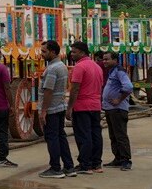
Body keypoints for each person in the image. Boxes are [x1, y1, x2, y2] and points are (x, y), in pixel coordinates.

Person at [37, 40, 76, 179]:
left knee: (52, 138)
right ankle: (69, 167)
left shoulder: (53, 69)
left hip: (52, 109)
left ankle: (55, 168)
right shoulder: (61, 66)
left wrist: (43, 111)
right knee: (61, 137)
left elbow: (48, 91)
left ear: (53, 52)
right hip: (59, 107)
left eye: (44, 51)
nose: (42, 54)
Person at [66, 41, 104, 174]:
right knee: (96, 134)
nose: (72, 54)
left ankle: (85, 165)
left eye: (74, 51)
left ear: (82, 52)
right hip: (95, 105)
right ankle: (96, 164)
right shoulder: (97, 66)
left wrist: (69, 107)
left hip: (82, 106)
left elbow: (75, 89)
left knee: (84, 135)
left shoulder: (79, 67)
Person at [99, 51, 133, 171]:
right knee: (113, 135)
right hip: (110, 109)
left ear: (115, 60)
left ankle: (126, 160)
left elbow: (128, 87)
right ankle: (118, 158)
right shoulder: (112, 71)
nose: (105, 62)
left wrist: (119, 99)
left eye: (107, 59)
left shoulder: (119, 71)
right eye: (103, 59)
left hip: (118, 109)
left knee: (120, 135)